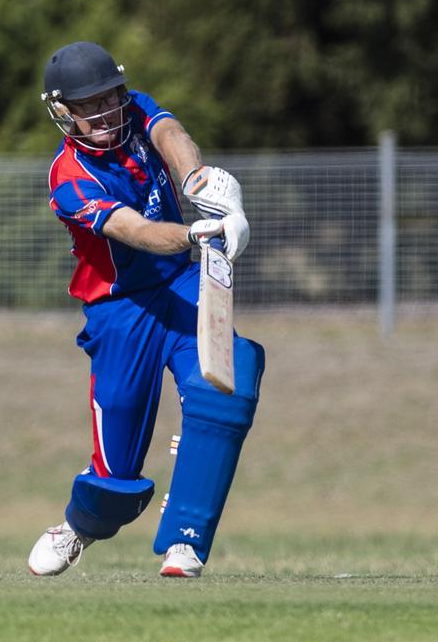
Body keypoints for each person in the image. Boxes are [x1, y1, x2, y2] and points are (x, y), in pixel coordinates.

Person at [28, 41, 265, 578]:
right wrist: (193, 234)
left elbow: (170, 133)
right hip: (120, 310)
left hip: (180, 286)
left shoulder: (133, 110)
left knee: (229, 386)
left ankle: (186, 541)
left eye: (111, 98)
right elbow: (131, 230)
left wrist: (196, 182)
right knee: (114, 481)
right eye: (90, 106)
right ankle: (79, 528)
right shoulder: (68, 178)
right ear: (65, 112)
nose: (107, 113)